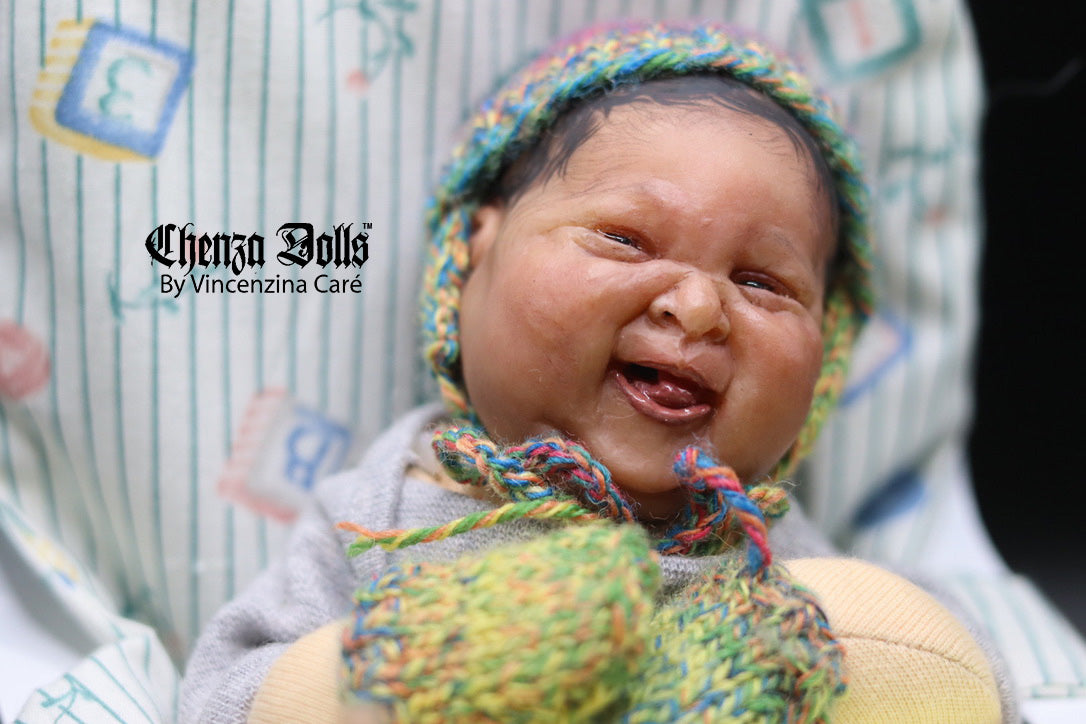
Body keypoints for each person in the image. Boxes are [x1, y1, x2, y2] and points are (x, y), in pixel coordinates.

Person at [180, 20, 1014, 723]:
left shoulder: (770, 553)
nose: (697, 307)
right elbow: (220, 695)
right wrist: (400, 672)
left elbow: (962, 683)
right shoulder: (389, 506)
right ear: (469, 260)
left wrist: (890, 659)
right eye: (624, 240)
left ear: (826, 356)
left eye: (763, 283)